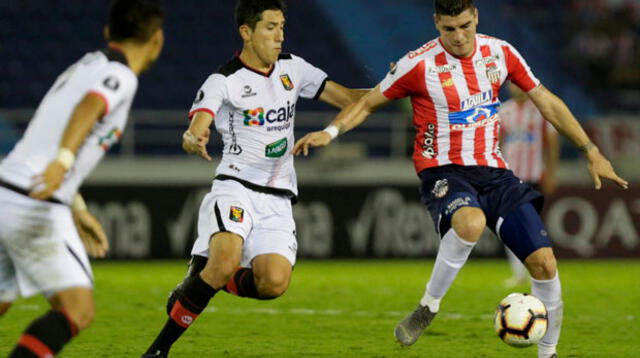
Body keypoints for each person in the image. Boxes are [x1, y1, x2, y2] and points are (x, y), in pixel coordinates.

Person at [293, 1, 628, 357]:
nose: (458, 36)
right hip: (444, 169)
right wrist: (329, 132)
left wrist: (590, 149)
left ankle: (548, 354)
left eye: (465, 26)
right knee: (470, 222)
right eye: (449, 29)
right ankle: (429, 306)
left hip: (495, 172)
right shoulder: (417, 63)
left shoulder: (500, 53)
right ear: (436, 23)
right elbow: (368, 103)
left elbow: (545, 100)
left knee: (545, 264)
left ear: (476, 17)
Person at [141, 1, 366, 357]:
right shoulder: (224, 80)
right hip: (236, 186)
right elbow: (197, 124)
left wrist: (396, 90)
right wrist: (193, 138)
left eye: (282, 27)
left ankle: (198, 282)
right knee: (226, 261)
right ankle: (157, 350)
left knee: (272, 283)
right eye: (270, 27)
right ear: (246, 32)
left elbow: (352, 99)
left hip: (277, 198)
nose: (280, 36)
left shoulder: (294, 68)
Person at [0, 1, 164, 356]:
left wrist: (77, 205)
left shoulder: (85, 65)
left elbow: (51, 129)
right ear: (157, 40)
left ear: (108, 33)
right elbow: (90, 106)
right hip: (35, 202)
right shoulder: (120, 77)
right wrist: (63, 161)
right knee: (77, 310)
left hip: (8, 190)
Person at [500, 81, 559, 287]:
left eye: (518, 85)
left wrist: (551, 172)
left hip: (534, 176)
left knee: (531, 225)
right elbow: (498, 142)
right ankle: (519, 273)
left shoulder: (540, 111)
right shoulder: (503, 110)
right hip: (510, 177)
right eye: (512, 85)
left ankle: (540, 268)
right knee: (510, 225)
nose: (515, 88)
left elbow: (552, 143)